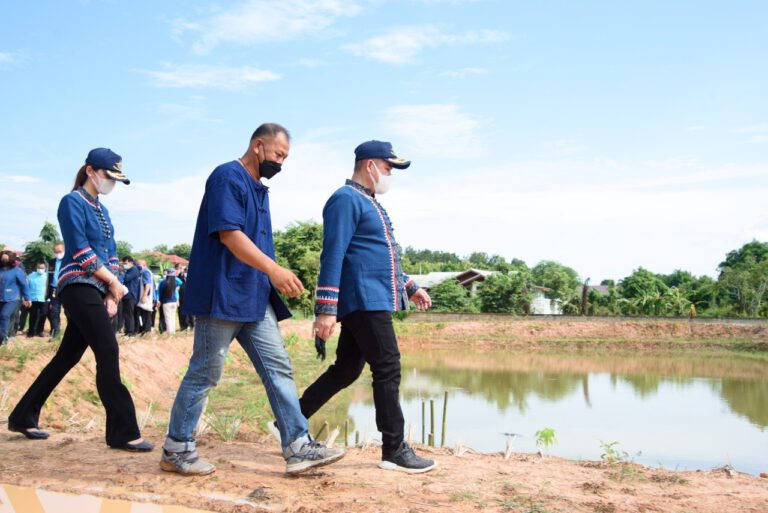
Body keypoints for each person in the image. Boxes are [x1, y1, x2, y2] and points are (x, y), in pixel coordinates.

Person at [160, 123, 344, 476]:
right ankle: (177, 447)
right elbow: (230, 235)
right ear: (258, 146)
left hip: (254, 297)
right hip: (223, 295)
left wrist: (269, 275)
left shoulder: (259, 188)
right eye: (278, 154)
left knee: (278, 368)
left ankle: (298, 445)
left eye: (285, 158)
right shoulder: (227, 177)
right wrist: (274, 269)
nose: (281, 163)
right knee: (205, 372)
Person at [301, 140, 436, 473]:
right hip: (364, 300)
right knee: (387, 367)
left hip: (374, 296)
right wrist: (326, 308)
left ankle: (288, 420)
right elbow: (333, 254)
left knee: (346, 370)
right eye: (388, 167)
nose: (390, 174)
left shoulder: (368, 202)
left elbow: (379, 257)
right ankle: (394, 449)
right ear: (370, 165)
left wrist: (411, 287)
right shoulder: (345, 199)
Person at [8, 148, 153, 451]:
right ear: (90, 171)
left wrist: (112, 292)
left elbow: (111, 253)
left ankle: (23, 415)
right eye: (107, 176)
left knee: (68, 356)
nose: (110, 183)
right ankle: (122, 431)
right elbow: (81, 251)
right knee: (108, 348)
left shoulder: (102, 209)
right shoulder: (71, 202)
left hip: (99, 287)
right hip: (77, 285)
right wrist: (113, 282)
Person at [0, 250, 30, 345]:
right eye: (2, 258)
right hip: (1, 298)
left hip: (13, 298)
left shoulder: (17, 270)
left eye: (6, 258)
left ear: (11, 259)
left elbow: (24, 285)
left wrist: (27, 298)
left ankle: (3, 339)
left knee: (4, 315)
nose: (4, 260)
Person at [47, 243, 66, 338]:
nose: (58, 254)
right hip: (54, 289)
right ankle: (56, 333)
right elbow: (49, 277)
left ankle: (71, 334)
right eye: (56, 252)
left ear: (64, 250)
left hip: (66, 288)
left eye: (60, 251)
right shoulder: (51, 262)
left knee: (69, 312)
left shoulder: (68, 260)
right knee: (54, 311)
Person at [26, 262, 48, 337]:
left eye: (42, 268)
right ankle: (31, 332)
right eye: (39, 268)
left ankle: (40, 331)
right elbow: (26, 287)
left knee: (43, 315)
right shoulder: (31, 276)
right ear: (36, 267)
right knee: (33, 315)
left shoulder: (47, 276)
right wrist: (26, 298)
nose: (40, 269)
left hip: (44, 299)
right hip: (33, 298)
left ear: (45, 268)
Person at [119, 256, 140, 336]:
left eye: (125, 263)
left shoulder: (133, 270)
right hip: (126, 295)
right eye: (123, 263)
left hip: (130, 295)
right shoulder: (128, 270)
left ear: (131, 262)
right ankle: (128, 331)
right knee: (127, 314)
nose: (124, 265)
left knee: (129, 314)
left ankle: (130, 332)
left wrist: (122, 273)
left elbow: (127, 279)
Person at [157, 269, 182, 334]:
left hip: (166, 302)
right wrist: (174, 276)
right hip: (174, 301)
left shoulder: (163, 282)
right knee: (173, 317)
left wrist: (159, 301)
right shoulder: (175, 282)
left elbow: (160, 292)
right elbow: (181, 282)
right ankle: (173, 331)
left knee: (168, 318)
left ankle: (170, 332)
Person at [135, 259, 154, 334]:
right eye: (137, 264)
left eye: (139, 264)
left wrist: (144, 295)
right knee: (142, 314)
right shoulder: (142, 272)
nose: (137, 266)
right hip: (143, 297)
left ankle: (146, 331)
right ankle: (143, 330)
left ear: (144, 265)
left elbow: (148, 284)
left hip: (145, 297)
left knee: (146, 315)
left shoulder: (146, 272)